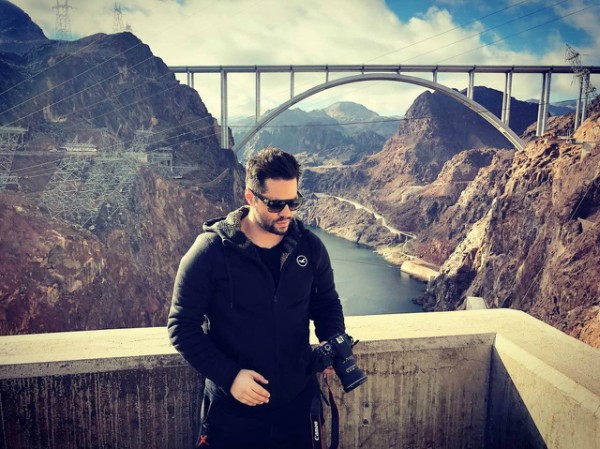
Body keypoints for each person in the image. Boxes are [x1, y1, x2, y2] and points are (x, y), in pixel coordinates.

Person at [168, 146, 346, 448]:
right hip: (233, 414)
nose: (287, 212)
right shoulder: (210, 252)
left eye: (294, 202)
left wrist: (333, 340)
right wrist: (230, 376)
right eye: (275, 204)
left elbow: (326, 303)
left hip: (297, 409)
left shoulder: (310, 247)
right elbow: (181, 327)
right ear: (250, 197)